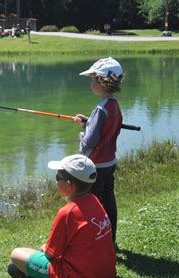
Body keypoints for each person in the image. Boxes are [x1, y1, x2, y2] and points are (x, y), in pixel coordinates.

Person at [9, 154, 116, 278]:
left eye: (58, 178)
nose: (56, 181)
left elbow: (50, 255)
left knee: (16, 254)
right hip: (107, 274)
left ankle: (32, 275)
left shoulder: (67, 212)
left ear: (69, 185)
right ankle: (30, 273)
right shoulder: (95, 200)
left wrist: (45, 248)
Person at [73, 57, 123, 246]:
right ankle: (110, 238)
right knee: (109, 199)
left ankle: (96, 241)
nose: (91, 83)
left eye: (93, 79)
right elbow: (108, 128)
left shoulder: (100, 109)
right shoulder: (114, 105)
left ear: (102, 82)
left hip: (96, 165)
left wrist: (82, 137)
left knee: (93, 203)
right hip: (110, 162)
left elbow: (90, 141)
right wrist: (89, 121)